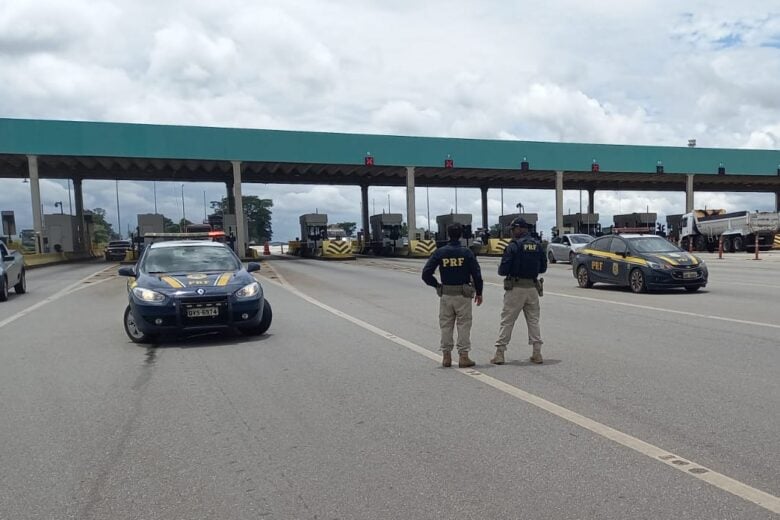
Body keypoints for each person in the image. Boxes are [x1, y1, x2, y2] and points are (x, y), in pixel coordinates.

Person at [422, 223, 484, 368]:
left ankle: (446, 357)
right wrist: (479, 292)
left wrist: (437, 285)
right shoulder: (467, 252)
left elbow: (426, 274)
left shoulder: (440, 252)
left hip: (446, 294)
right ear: (461, 234)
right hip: (463, 294)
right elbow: (477, 274)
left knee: (446, 325)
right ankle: (463, 357)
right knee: (463, 325)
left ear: (448, 234)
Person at [491, 217, 547, 365]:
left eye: (513, 229)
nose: (512, 232)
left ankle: (500, 353)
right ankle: (537, 353)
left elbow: (503, 270)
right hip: (532, 288)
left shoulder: (514, 246)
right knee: (533, 321)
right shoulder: (537, 245)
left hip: (516, 288)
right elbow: (543, 268)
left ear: (518, 229)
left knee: (507, 320)